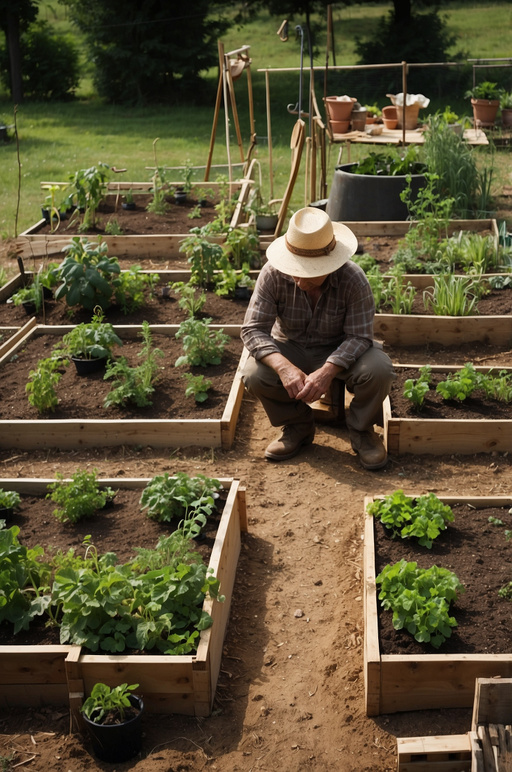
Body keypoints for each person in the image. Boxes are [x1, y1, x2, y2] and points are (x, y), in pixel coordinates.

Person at [240, 206, 396, 469]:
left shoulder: (353, 280)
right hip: (289, 346)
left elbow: (359, 337)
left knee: (379, 369)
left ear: (331, 264)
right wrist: (284, 367)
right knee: (254, 374)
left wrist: (327, 371)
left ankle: (361, 432)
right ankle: (298, 426)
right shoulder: (273, 274)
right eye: (295, 270)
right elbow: (252, 329)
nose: (299, 281)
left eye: (309, 272)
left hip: (338, 347)